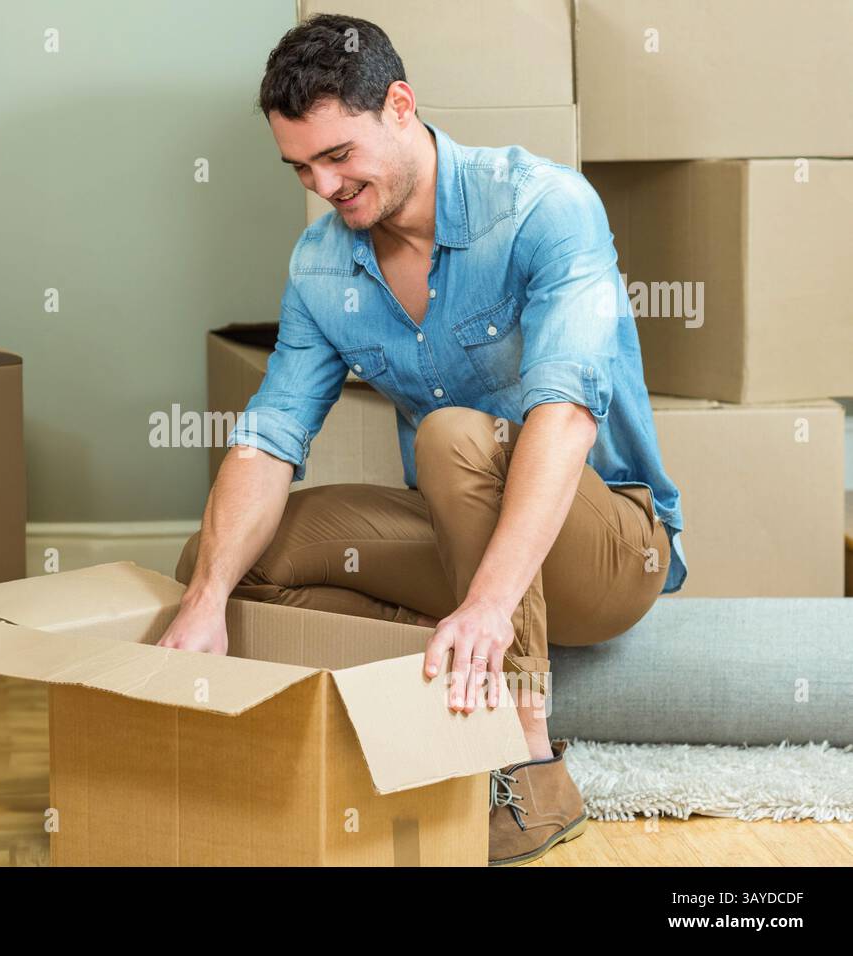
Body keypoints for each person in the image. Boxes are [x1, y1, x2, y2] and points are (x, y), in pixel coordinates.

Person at [158, 13, 686, 866]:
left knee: (451, 436)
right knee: (215, 562)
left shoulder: (544, 208)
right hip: (458, 535)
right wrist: (205, 605)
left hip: (607, 548)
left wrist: (486, 606)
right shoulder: (323, 267)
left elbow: (565, 413)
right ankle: (423, 685)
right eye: (301, 167)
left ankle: (527, 767)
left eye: (338, 157)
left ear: (399, 105)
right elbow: (270, 438)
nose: (324, 186)